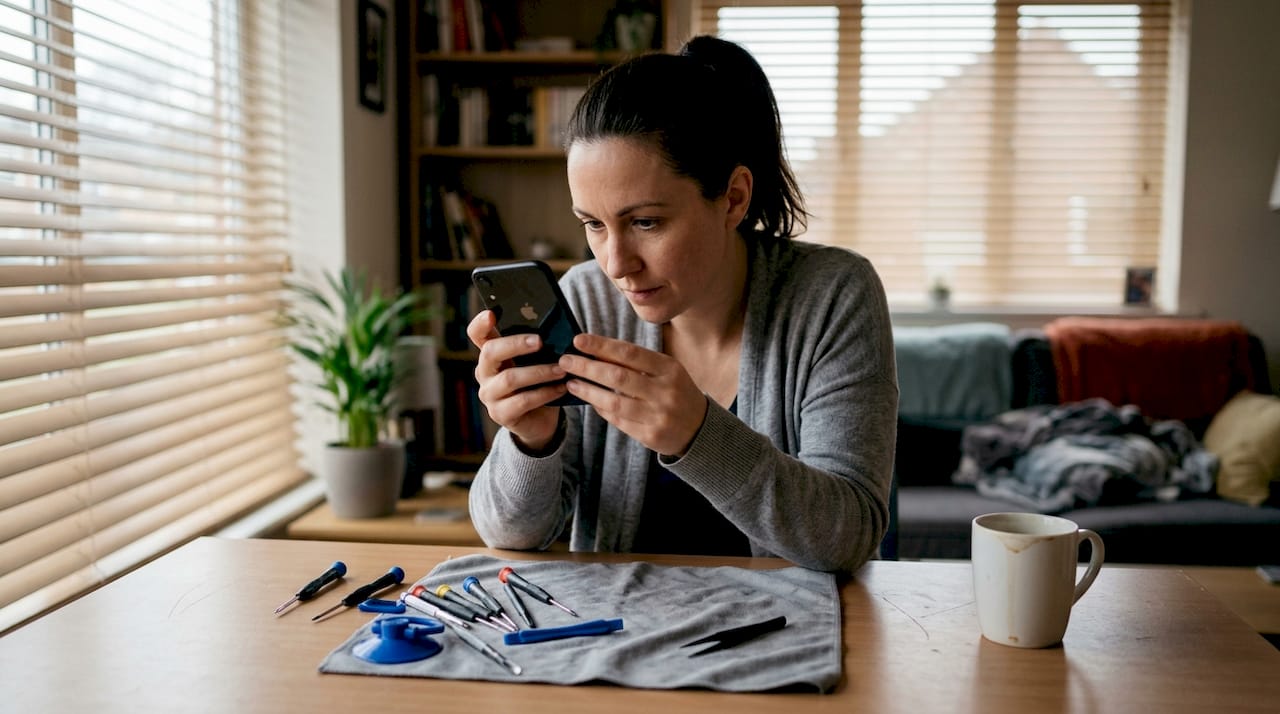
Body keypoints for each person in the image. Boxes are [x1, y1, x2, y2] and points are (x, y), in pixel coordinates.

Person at [465, 35, 898, 573]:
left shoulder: (832, 295)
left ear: (733, 198)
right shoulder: (585, 299)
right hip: (617, 641)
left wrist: (699, 435)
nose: (616, 263)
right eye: (593, 225)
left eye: (645, 222)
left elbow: (849, 536)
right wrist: (531, 440)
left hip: (789, 643)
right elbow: (511, 536)